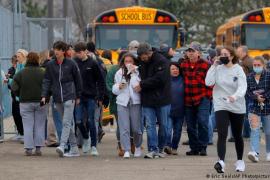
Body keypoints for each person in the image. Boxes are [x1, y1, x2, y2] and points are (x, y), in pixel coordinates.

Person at [205, 46, 247, 173]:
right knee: (222, 133)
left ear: (232, 56)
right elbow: (208, 82)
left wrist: (235, 96)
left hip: (237, 105)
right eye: (221, 54)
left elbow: (242, 87)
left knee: (237, 135)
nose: (222, 56)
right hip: (221, 104)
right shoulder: (217, 68)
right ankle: (221, 162)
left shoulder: (238, 70)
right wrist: (213, 66)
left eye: (225, 54)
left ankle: (240, 161)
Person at [41, 41, 82, 157]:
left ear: (63, 51)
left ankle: (63, 145)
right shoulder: (50, 65)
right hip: (57, 98)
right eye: (55, 49)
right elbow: (47, 81)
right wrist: (44, 95)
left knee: (66, 122)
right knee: (68, 124)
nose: (56, 51)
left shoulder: (71, 64)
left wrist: (78, 95)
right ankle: (74, 148)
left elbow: (78, 80)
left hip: (70, 96)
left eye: (58, 49)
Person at [136, 43, 171, 159]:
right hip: (147, 99)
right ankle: (152, 149)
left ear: (149, 52)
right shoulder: (140, 61)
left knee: (164, 125)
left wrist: (142, 84)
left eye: (144, 55)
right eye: (140, 56)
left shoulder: (162, 61)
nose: (142, 58)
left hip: (162, 99)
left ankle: (161, 148)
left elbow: (160, 79)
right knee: (150, 125)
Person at [11, 52, 46, 156]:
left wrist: (19, 94)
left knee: (28, 126)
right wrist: (47, 96)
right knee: (39, 125)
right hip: (41, 102)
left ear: (27, 59)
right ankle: (38, 148)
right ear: (37, 60)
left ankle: (29, 149)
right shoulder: (43, 72)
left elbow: (13, 85)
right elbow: (49, 85)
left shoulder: (21, 72)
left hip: (25, 102)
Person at [73, 42, 105, 156]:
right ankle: (86, 137)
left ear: (85, 51)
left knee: (91, 121)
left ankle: (94, 146)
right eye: (76, 53)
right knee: (78, 120)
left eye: (80, 52)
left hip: (91, 97)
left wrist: (100, 97)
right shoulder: (74, 63)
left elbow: (101, 80)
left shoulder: (93, 63)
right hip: (79, 97)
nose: (78, 55)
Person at [180, 42, 211, 156]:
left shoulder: (206, 64)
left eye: (193, 51)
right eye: (189, 51)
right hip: (188, 99)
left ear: (199, 53)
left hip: (202, 97)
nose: (191, 53)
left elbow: (211, 81)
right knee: (190, 125)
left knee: (203, 122)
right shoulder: (183, 64)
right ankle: (194, 148)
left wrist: (207, 95)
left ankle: (203, 147)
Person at [112, 53, 142, 158]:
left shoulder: (138, 72)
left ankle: (137, 146)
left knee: (136, 128)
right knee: (124, 127)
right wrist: (119, 86)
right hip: (122, 103)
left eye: (130, 61)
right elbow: (114, 89)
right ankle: (126, 150)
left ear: (134, 62)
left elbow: (136, 87)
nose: (128, 63)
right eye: (126, 61)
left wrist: (133, 73)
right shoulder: (119, 73)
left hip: (135, 102)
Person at [246, 56, 270, 162]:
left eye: (258, 65)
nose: (256, 67)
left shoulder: (269, 75)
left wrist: (264, 97)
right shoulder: (249, 77)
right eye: (254, 65)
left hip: (268, 106)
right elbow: (247, 91)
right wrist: (256, 97)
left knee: (268, 131)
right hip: (253, 106)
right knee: (254, 130)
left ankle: (269, 152)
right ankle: (254, 152)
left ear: (263, 65)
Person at [106, 50, 128, 156]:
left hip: (131, 102)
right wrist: (116, 92)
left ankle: (129, 144)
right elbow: (109, 85)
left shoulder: (133, 69)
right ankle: (121, 146)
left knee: (129, 124)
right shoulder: (114, 69)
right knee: (121, 124)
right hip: (117, 101)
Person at [164, 62, 184, 155]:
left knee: (177, 131)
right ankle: (167, 146)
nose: (175, 70)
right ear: (168, 71)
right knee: (168, 130)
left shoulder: (183, 80)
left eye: (176, 69)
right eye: (173, 69)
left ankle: (174, 147)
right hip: (168, 110)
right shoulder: (166, 80)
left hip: (180, 110)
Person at [8, 49, 28, 142]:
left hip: (24, 95)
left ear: (24, 57)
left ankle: (25, 134)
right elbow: (16, 80)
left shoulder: (25, 66)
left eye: (19, 56)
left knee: (23, 116)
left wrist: (10, 81)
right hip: (17, 95)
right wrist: (10, 81)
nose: (17, 58)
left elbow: (20, 81)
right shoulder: (19, 66)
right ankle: (21, 133)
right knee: (17, 114)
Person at [237, 46, 253, 139]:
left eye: (238, 51)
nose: (237, 53)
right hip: (246, 89)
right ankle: (247, 132)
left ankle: (247, 133)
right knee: (246, 110)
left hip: (248, 89)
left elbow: (253, 75)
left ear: (244, 52)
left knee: (247, 111)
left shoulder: (248, 61)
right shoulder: (244, 61)